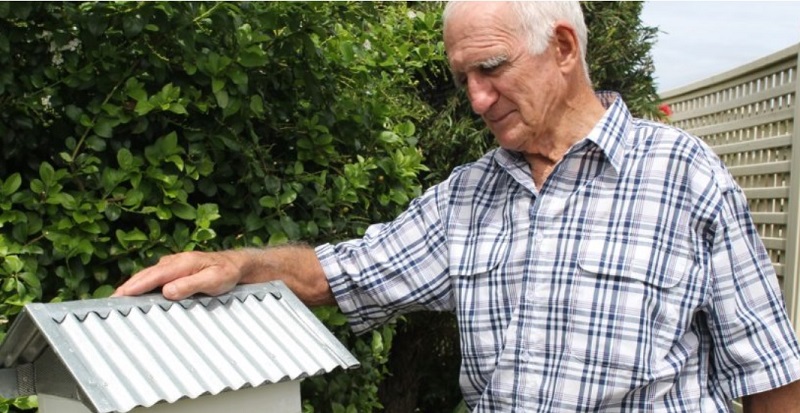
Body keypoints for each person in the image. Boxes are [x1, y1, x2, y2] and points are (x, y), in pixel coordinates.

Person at [114, 1, 800, 411]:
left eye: (491, 69)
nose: (475, 98)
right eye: (462, 77)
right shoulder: (468, 196)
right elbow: (339, 273)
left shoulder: (684, 176)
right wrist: (235, 263)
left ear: (562, 47)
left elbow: (771, 377)